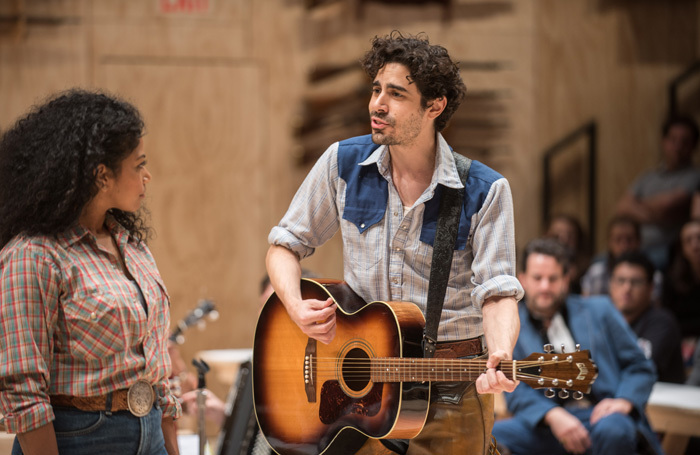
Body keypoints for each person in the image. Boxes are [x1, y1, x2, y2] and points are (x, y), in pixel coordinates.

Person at [266, 31, 524, 455]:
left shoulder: (484, 190)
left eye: (396, 94)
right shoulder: (342, 163)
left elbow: (497, 293)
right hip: (358, 395)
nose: (377, 105)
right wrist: (295, 306)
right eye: (375, 89)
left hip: (451, 394)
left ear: (434, 106)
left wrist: (500, 352)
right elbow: (284, 246)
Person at [0, 90, 181, 455]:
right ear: (102, 176)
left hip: (152, 435)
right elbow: (22, 392)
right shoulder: (33, 255)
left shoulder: (132, 246)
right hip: (81, 438)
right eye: (138, 165)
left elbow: (157, 373)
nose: (148, 176)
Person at [493, 238, 661, 455]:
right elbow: (516, 392)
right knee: (493, 434)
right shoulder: (513, 326)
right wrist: (553, 416)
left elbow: (640, 366)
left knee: (614, 430)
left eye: (552, 278)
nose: (545, 286)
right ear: (522, 279)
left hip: (602, 415)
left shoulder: (600, 310)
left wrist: (624, 401)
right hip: (549, 425)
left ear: (565, 279)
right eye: (537, 278)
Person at [616, 115, 700, 270]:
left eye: (684, 141)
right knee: (600, 262)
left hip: (667, 248)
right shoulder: (648, 176)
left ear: (693, 146)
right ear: (664, 142)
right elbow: (622, 206)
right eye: (672, 140)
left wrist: (638, 205)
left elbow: (667, 205)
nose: (678, 146)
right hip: (634, 244)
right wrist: (659, 217)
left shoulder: (695, 176)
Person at [608, 251, 685, 383]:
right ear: (611, 284)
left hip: (660, 401)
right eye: (621, 280)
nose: (627, 288)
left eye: (636, 282)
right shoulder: (604, 320)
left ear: (651, 288)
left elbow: (641, 370)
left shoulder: (663, 322)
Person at [581, 215, 662, 300]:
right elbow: (586, 308)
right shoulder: (596, 273)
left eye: (629, 240)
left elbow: (654, 310)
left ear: (639, 241)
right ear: (609, 242)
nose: (624, 246)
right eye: (618, 240)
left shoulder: (653, 276)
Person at [663, 218, 700, 339]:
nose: (695, 246)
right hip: (682, 340)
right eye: (688, 240)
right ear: (682, 248)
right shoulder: (671, 279)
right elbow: (668, 320)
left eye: (699, 238)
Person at [545, 214, 589, 294]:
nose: (563, 240)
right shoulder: (537, 262)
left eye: (569, 236)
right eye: (556, 236)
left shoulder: (587, 269)